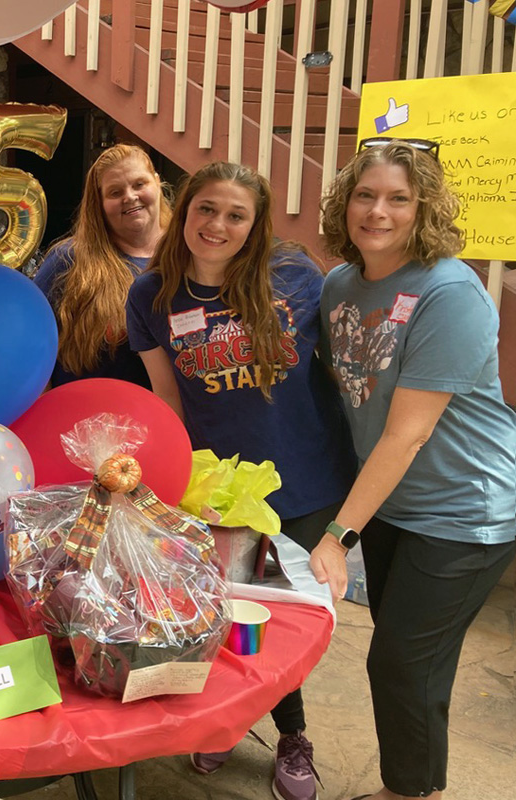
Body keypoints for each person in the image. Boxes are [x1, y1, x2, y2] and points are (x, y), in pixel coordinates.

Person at [125, 161, 357, 800]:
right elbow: (166, 398)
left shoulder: (296, 276)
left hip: (307, 475)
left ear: (255, 226)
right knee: (226, 612)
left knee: (287, 622)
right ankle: (231, 715)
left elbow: (340, 369)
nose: (217, 225)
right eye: (206, 209)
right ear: (185, 211)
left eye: (235, 215)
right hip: (220, 484)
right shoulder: (151, 295)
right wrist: (174, 484)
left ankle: (291, 737)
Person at [316, 140, 516, 800]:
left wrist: (337, 534)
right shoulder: (339, 285)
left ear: (423, 207)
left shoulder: (450, 293)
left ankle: (409, 793)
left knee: (400, 662)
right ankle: (420, 787)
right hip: (396, 504)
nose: (378, 210)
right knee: (418, 662)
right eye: (366, 195)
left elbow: (406, 434)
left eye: (398, 198)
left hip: (466, 509)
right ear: (346, 204)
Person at [33, 143, 170, 388]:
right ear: (99, 203)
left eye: (139, 184)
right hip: (84, 420)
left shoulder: (186, 255)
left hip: (168, 419)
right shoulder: (68, 260)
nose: (130, 196)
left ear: (157, 182)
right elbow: (32, 342)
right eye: (115, 192)